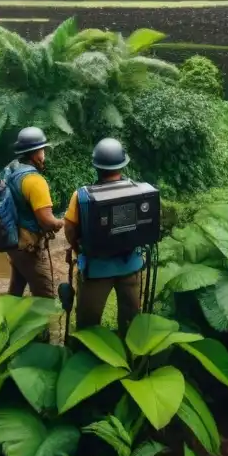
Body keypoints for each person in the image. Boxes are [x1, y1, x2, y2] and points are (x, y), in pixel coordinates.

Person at [63, 138, 144, 334]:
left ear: (97, 167)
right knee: (132, 321)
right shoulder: (137, 190)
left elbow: (69, 229)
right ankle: (130, 356)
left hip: (95, 270)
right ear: (123, 165)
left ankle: (88, 357)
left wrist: (78, 249)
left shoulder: (81, 196)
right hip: (130, 265)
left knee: (88, 325)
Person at [5, 126, 63, 298]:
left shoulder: (12, 168)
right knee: (45, 295)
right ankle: (42, 326)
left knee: (17, 286)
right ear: (36, 153)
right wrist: (64, 222)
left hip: (12, 241)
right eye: (42, 149)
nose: (44, 154)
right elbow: (47, 222)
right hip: (28, 247)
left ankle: (7, 320)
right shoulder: (35, 181)